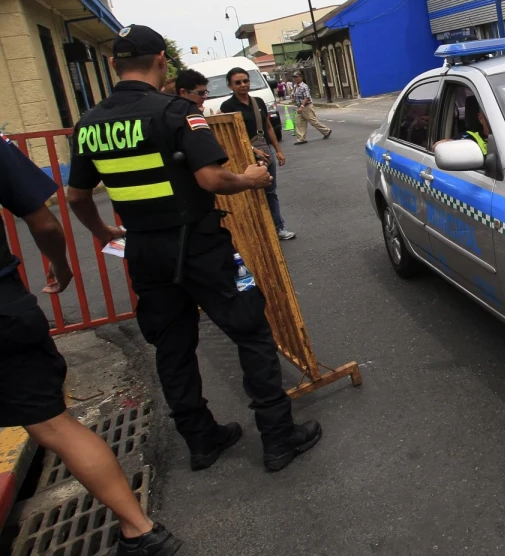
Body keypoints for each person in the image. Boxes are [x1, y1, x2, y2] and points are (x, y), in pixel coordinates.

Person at [65, 24, 322, 473]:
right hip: (198, 245)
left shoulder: (89, 124)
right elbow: (211, 179)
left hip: (143, 250)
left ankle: (202, 441)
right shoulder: (176, 112)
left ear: (112, 65)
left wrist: (106, 231)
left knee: (173, 347)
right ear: (163, 61)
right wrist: (250, 179)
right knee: (252, 333)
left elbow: (76, 197)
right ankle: (278, 438)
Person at [1, 135, 182, 555]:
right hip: (5, 311)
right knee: (54, 425)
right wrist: (61, 266)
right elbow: (43, 220)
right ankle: (140, 529)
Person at [219, 67, 296, 241]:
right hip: (245, 153)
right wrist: (252, 150)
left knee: (271, 190)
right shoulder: (228, 106)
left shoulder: (258, 102)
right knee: (250, 191)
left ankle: (278, 227)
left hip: (266, 150)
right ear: (230, 86)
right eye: (237, 82)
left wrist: (278, 151)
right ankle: (259, 231)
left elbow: (268, 127)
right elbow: (232, 135)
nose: (243, 85)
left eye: (245, 81)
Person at [291, 71, 331, 145]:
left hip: (306, 106)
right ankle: (301, 139)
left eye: (296, 77)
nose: (295, 78)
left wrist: (302, 106)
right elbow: (295, 95)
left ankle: (326, 131)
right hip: (300, 107)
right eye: (294, 77)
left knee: (313, 121)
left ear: (301, 77)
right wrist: (294, 99)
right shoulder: (295, 86)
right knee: (299, 123)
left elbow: (307, 97)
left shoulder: (304, 86)